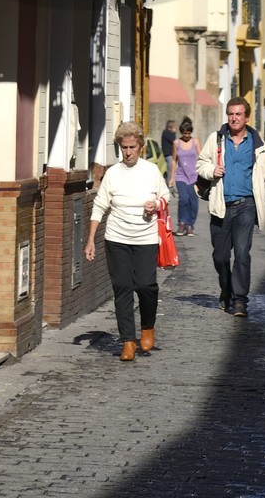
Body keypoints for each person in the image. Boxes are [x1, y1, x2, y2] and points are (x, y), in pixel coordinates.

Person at [85, 121, 170, 360]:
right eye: (124, 147)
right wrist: (91, 239)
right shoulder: (113, 173)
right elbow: (99, 206)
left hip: (146, 238)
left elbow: (166, 196)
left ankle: (148, 327)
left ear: (141, 147)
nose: (128, 152)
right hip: (117, 238)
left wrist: (156, 204)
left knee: (145, 285)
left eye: (132, 147)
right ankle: (128, 342)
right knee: (122, 288)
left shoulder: (151, 171)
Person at [196, 98, 265, 318]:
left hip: (246, 206)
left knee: (242, 254)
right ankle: (226, 288)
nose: (234, 118)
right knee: (220, 257)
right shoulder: (216, 139)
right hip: (220, 206)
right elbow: (201, 164)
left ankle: (240, 300)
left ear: (247, 117)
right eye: (230, 114)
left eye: (238, 114)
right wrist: (211, 170)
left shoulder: (258, 146)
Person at [169, 117, 202, 235]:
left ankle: (190, 224)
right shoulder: (176, 143)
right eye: (184, 133)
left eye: (188, 133)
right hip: (181, 176)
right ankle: (182, 223)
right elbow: (174, 160)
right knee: (183, 199)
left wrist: (203, 174)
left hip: (194, 176)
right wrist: (172, 177)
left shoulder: (196, 141)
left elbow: (202, 157)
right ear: (181, 133)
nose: (187, 136)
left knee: (193, 201)